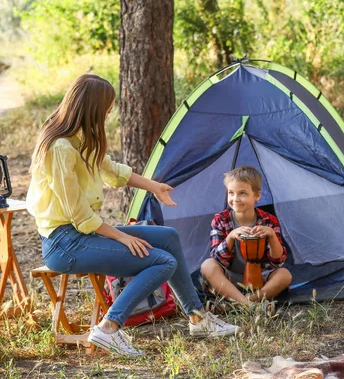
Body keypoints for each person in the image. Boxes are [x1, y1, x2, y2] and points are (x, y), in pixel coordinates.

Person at [26, 74, 239, 357]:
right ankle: (109, 328)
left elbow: (113, 171)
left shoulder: (80, 139)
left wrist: (153, 186)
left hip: (81, 233)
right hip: (65, 243)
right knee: (163, 262)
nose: (109, 114)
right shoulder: (61, 149)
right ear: (91, 108)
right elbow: (78, 214)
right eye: (106, 109)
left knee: (168, 238)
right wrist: (122, 236)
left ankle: (198, 318)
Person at [200, 165, 292, 311]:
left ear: (257, 196)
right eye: (231, 193)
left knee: (285, 275)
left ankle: (241, 304)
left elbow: (277, 262)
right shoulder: (220, 220)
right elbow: (217, 259)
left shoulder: (269, 221)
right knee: (207, 265)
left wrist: (272, 235)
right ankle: (251, 306)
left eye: (242, 193)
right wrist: (230, 237)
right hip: (230, 279)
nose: (235, 199)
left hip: (261, 278)